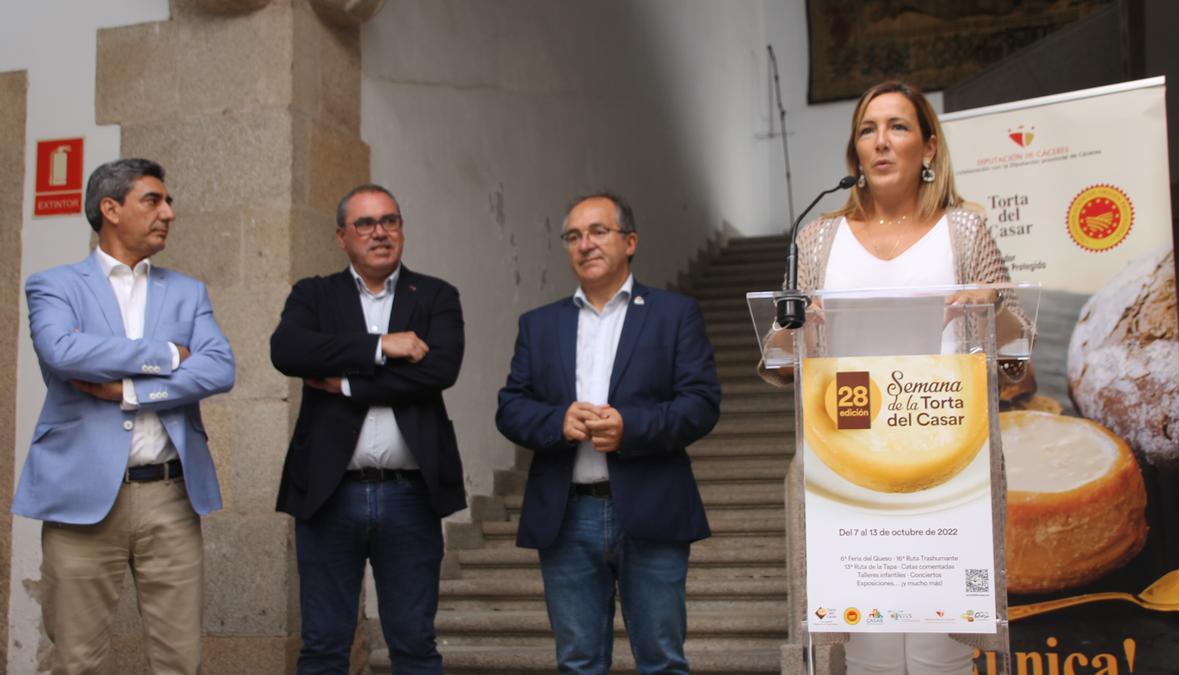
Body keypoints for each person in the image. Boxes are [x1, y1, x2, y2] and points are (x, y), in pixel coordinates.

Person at [761, 81, 1025, 674]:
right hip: (846, 457)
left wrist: (993, 304)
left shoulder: (966, 230)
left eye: (898, 127)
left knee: (942, 643)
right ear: (855, 153)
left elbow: (1014, 361)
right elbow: (779, 362)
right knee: (864, 643)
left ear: (929, 147)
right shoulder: (816, 236)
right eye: (867, 129)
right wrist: (796, 326)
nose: (881, 142)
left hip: (947, 454)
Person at [13, 158, 235, 673]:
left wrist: (131, 392)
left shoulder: (187, 291)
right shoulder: (53, 285)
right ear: (110, 209)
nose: (169, 213)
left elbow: (220, 368)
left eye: (168, 201)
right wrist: (170, 354)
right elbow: (64, 353)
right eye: (153, 200)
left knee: (179, 660)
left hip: (171, 498)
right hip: (79, 501)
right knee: (78, 660)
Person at [496, 192, 721, 674]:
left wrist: (630, 427)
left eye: (598, 231)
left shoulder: (673, 314)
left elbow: (701, 404)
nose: (585, 244)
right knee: (578, 662)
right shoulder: (539, 325)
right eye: (573, 236)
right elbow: (511, 409)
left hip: (652, 507)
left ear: (630, 241)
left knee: (661, 660)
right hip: (567, 514)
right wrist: (557, 421)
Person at [270, 183, 466, 674]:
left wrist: (348, 385)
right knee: (323, 646)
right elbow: (289, 352)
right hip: (329, 494)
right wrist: (383, 347)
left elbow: (438, 372)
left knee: (415, 644)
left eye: (390, 221)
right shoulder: (313, 294)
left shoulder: (437, 295)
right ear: (342, 236)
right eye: (366, 223)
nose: (380, 233)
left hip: (411, 494)